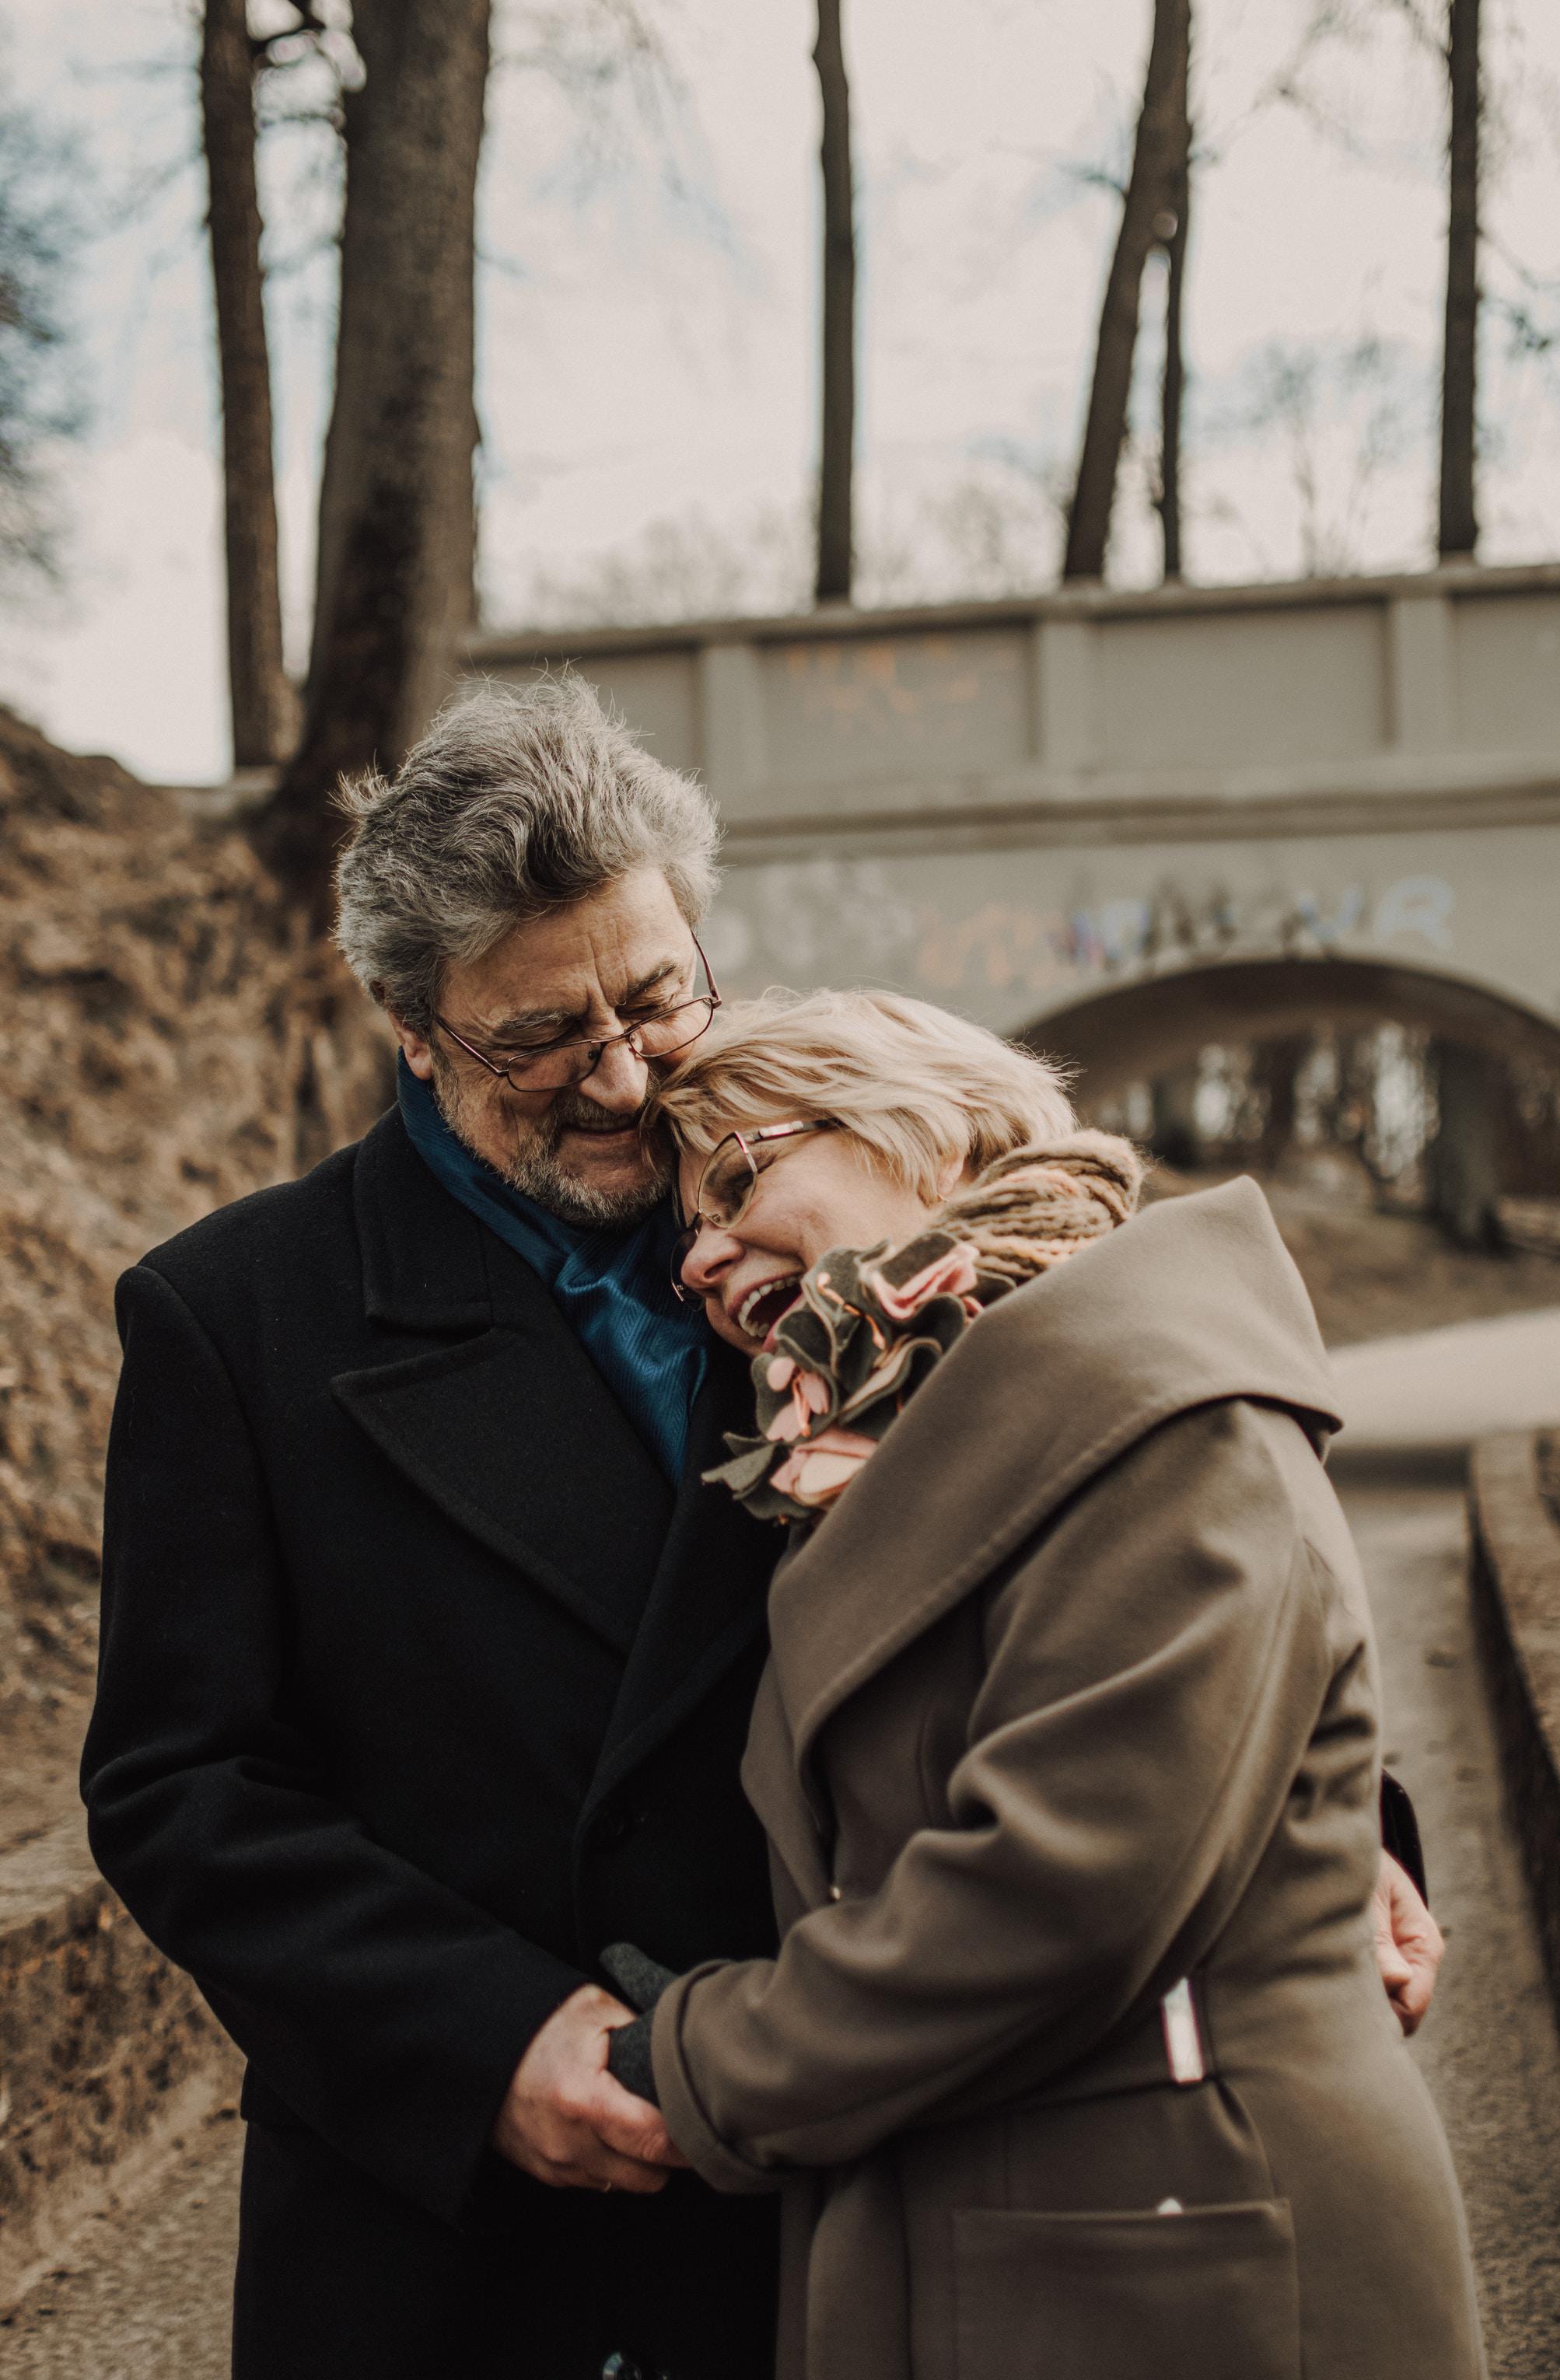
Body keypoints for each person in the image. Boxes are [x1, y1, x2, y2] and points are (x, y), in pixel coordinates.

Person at [81, 678, 1440, 2380]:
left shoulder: (858, 1203)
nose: (629, 1077)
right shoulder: (238, 1318)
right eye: (540, 1041)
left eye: (658, 996)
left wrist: (1330, 1832)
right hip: (460, 2247)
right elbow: (182, 1785)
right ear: (410, 1026)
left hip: (835, 2181)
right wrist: (483, 2040)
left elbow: (1132, 1543)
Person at [597, 988, 1486, 2380]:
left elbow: (1065, 1887)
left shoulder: (1152, 1405)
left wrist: (699, 2061)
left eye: (738, 1179)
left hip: (1191, 2254)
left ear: (928, 1131)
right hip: (1042, 2227)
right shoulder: (902, 1433)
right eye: (684, 1241)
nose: (703, 1257)